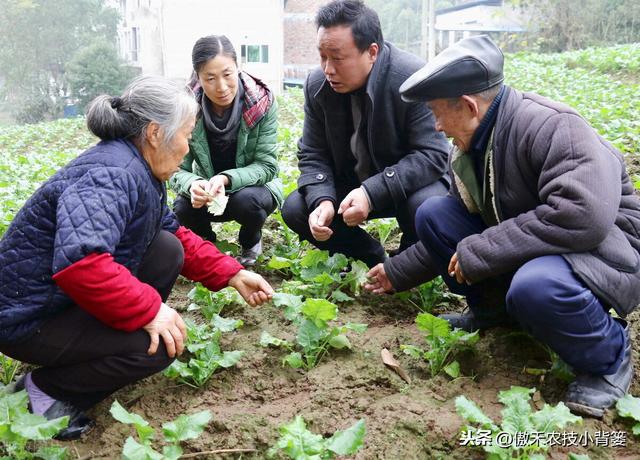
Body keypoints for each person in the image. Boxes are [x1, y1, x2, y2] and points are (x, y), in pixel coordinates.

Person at [366, 35, 640, 418]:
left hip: (607, 250)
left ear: (468, 105)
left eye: (438, 112)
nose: (437, 125)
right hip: (549, 242)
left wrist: (482, 249)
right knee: (433, 214)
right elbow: (457, 232)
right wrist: (397, 272)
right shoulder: (471, 146)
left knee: (536, 286)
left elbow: (582, 215)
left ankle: (608, 356)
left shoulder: (553, 126)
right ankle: (495, 314)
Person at [0, 75, 274, 440]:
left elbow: (175, 234)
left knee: (165, 247)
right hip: (27, 318)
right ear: (156, 133)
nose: (187, 147)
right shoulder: (112, 174)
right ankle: (42, 390)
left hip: (55, 301)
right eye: (186, 135)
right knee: (159, 347)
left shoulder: (137, 168)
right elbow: (82, 264)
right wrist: (150, 311)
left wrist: (233, 273)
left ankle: (105, 348)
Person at [281, 0, 450, 267]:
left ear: (372, 52)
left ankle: (406, 263)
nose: (328, 69)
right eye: (322, 56)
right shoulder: (317, 85)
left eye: (337, 58)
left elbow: (433, 155)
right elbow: (312, 152)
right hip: (349, 187)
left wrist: (372, 192)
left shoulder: (411, 79)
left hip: (405, 188)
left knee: (428, 207)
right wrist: (322, 198)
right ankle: (368, 255)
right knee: (296, 209)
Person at [169, 35, 283, 267]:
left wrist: (226, 178)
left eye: (227, 75)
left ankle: (250, 240)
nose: (221, 87)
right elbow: (174, 168)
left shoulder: (261, 102)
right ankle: (208, 245)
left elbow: (267, 166)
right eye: (210, 78)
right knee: (182, 207)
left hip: (252, 191)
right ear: (198, 77)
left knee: (247, 201)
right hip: (209, 194)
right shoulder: (186, 108)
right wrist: (193, 184)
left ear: (237, 68)